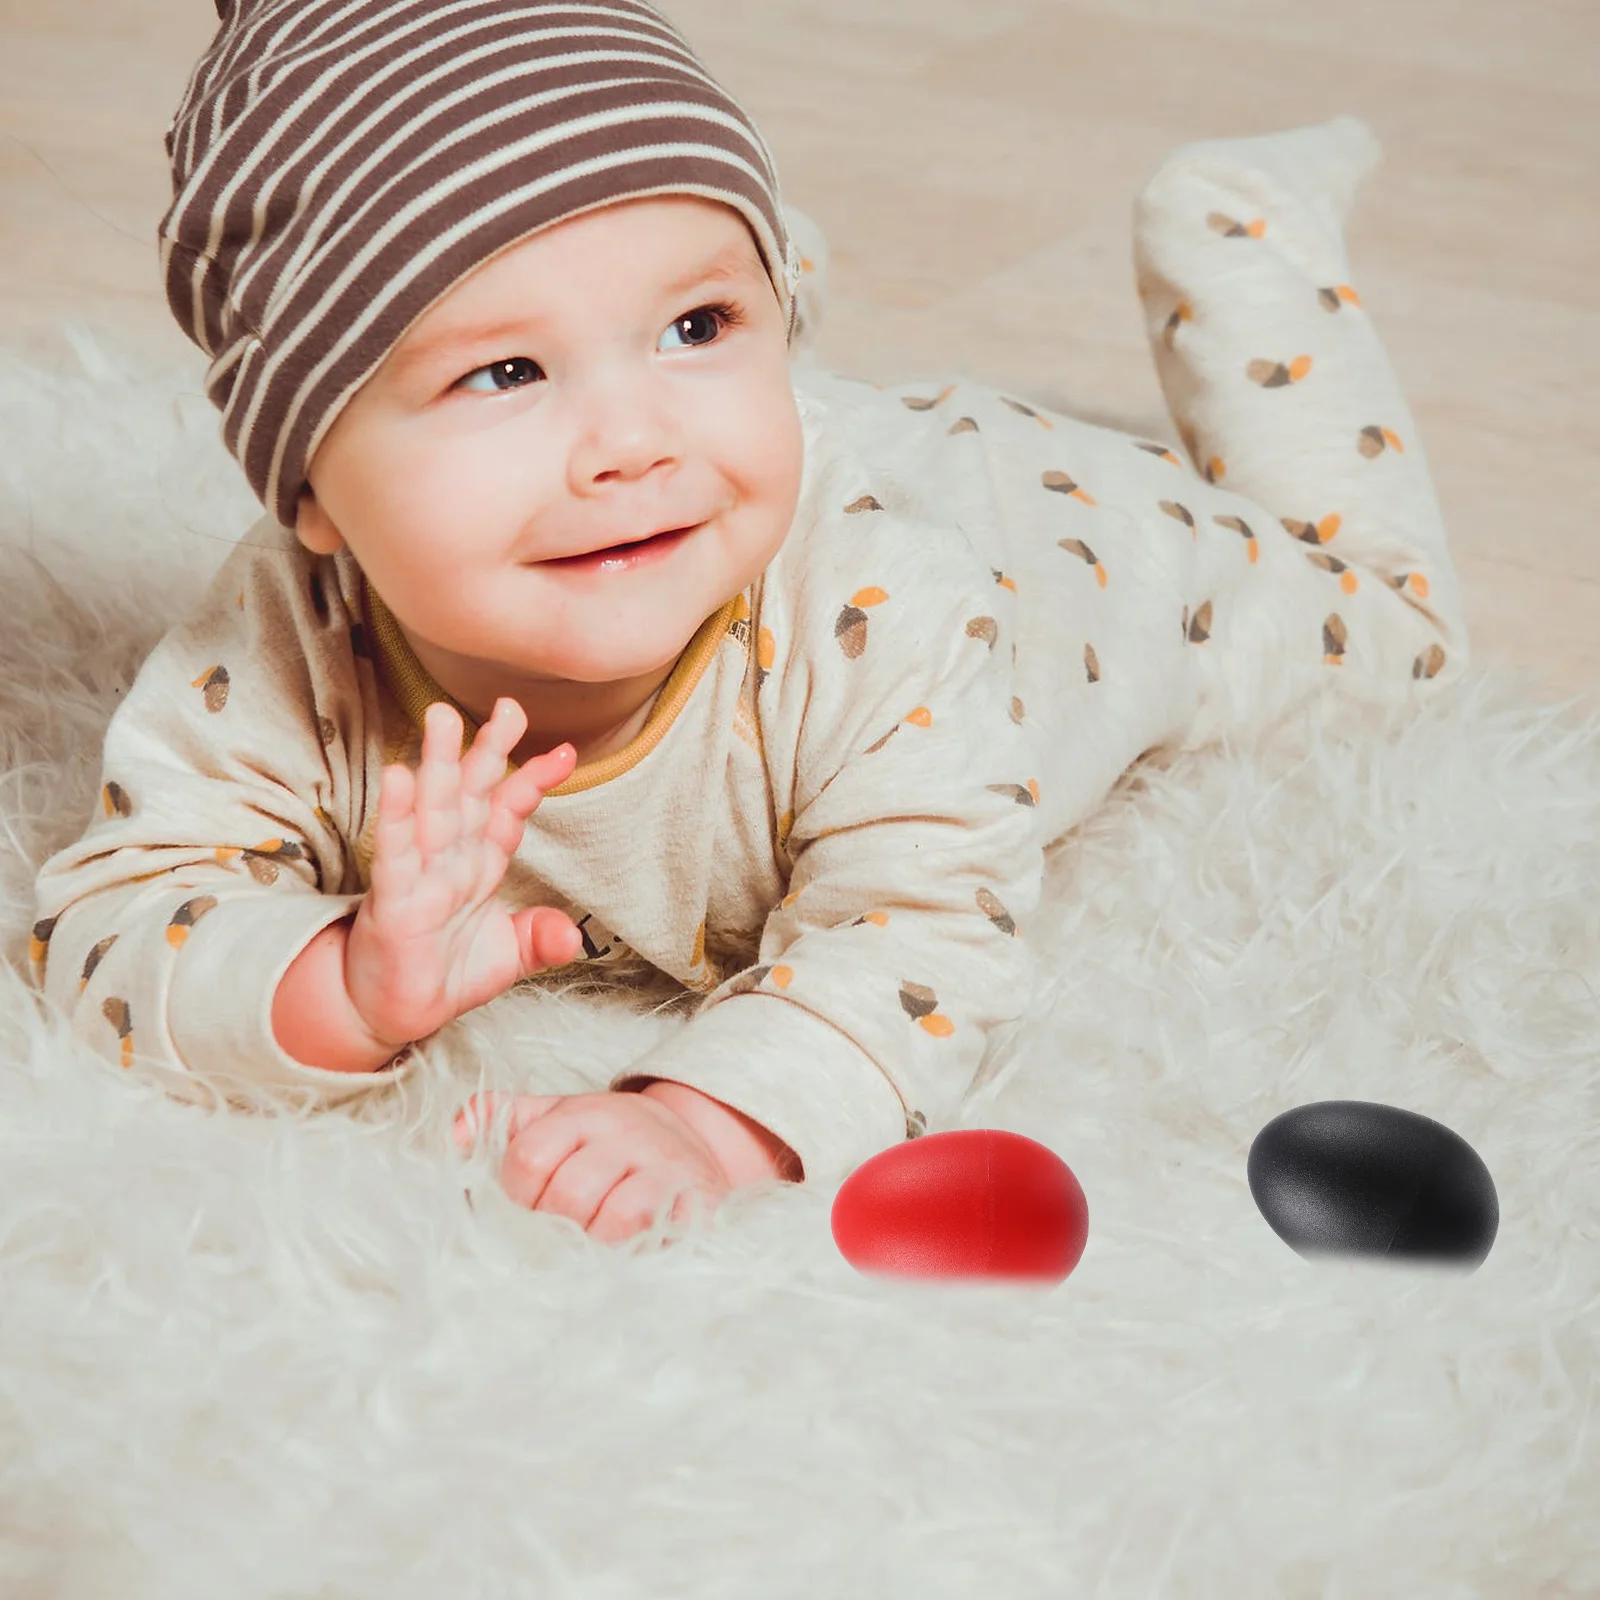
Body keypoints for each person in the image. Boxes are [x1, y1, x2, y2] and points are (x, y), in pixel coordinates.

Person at [30, 0, 1467, 1245]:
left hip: (1050, 537)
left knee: (1389, 628)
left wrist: (710, 1125)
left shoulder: (891, 616)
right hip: (797, 465)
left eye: (697, 328)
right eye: (508, 370)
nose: (631, 444)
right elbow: (113, 924)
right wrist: (336, 980)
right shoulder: (285, 645)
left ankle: (1236, 237)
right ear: (309, 485)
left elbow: (919, 933)